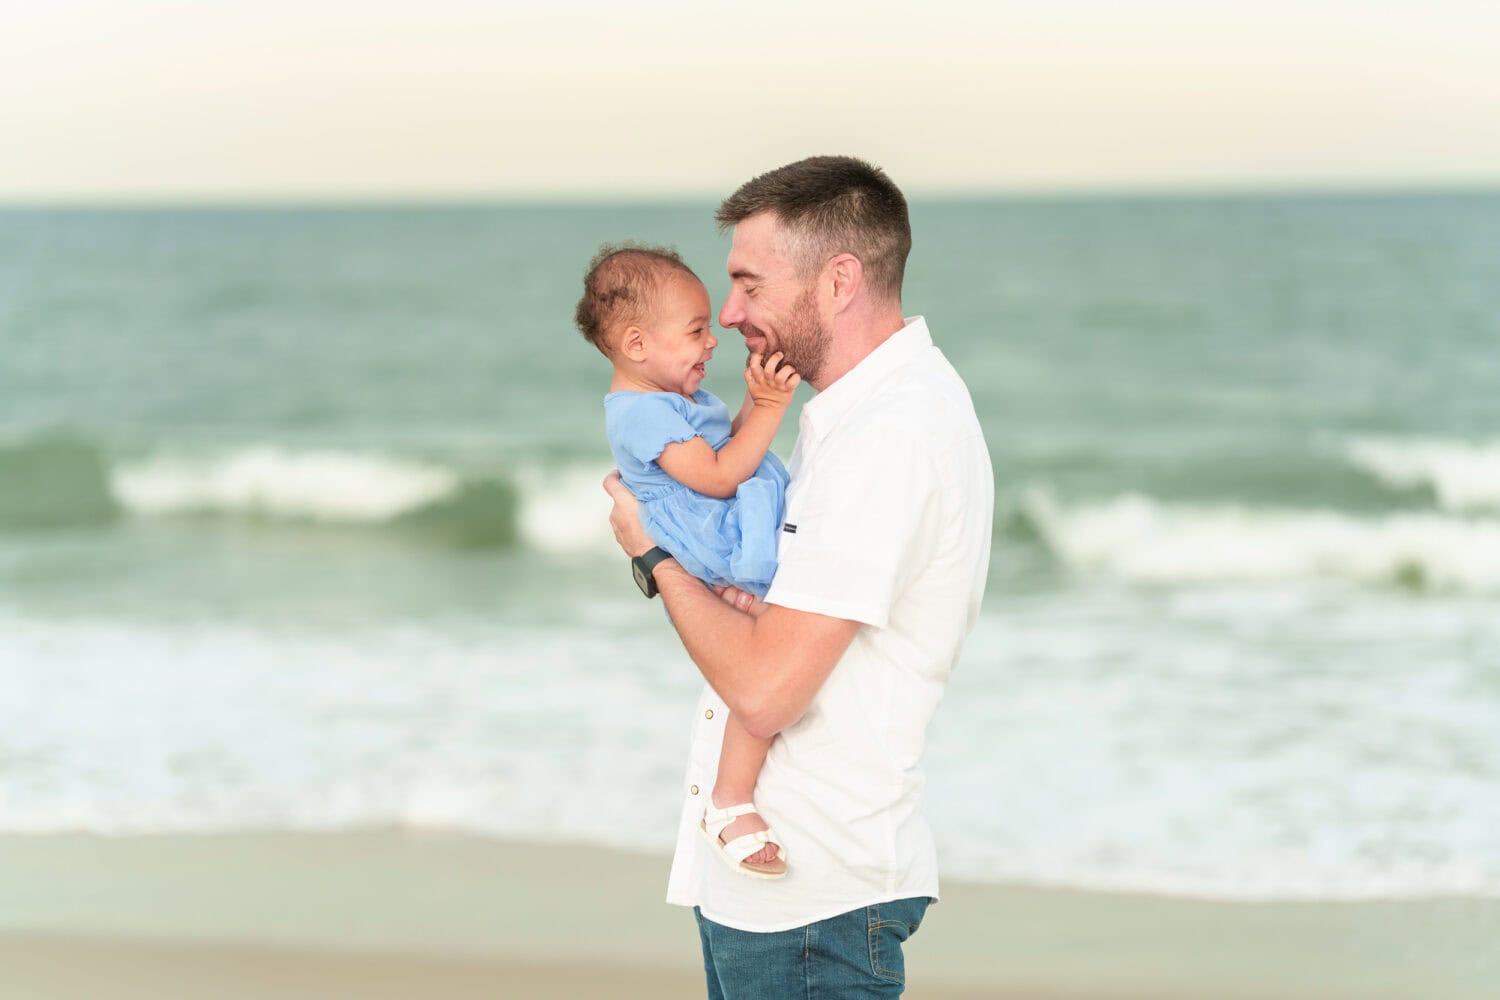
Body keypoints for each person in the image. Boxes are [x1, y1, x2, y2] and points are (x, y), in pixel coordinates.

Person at [603, 155, 994, 998]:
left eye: (749, 283)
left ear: (839, 280)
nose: (731, 312)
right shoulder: (860, 416)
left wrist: (654, 555)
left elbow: (767, 689)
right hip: (786, 890)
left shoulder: (887, 438)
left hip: (814, 898)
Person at [577, 244, 801, 878]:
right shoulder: (640, 414)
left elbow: (724, 441)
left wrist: (758, 400)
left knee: (764, 660)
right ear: (638, 343)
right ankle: (730, 799)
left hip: (720, 528)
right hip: (718, 535)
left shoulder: (664, 400)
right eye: (696, 330)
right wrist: (774, 409)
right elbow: (722, 475)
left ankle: (734, 795)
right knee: (763, 666)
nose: (712, 342)